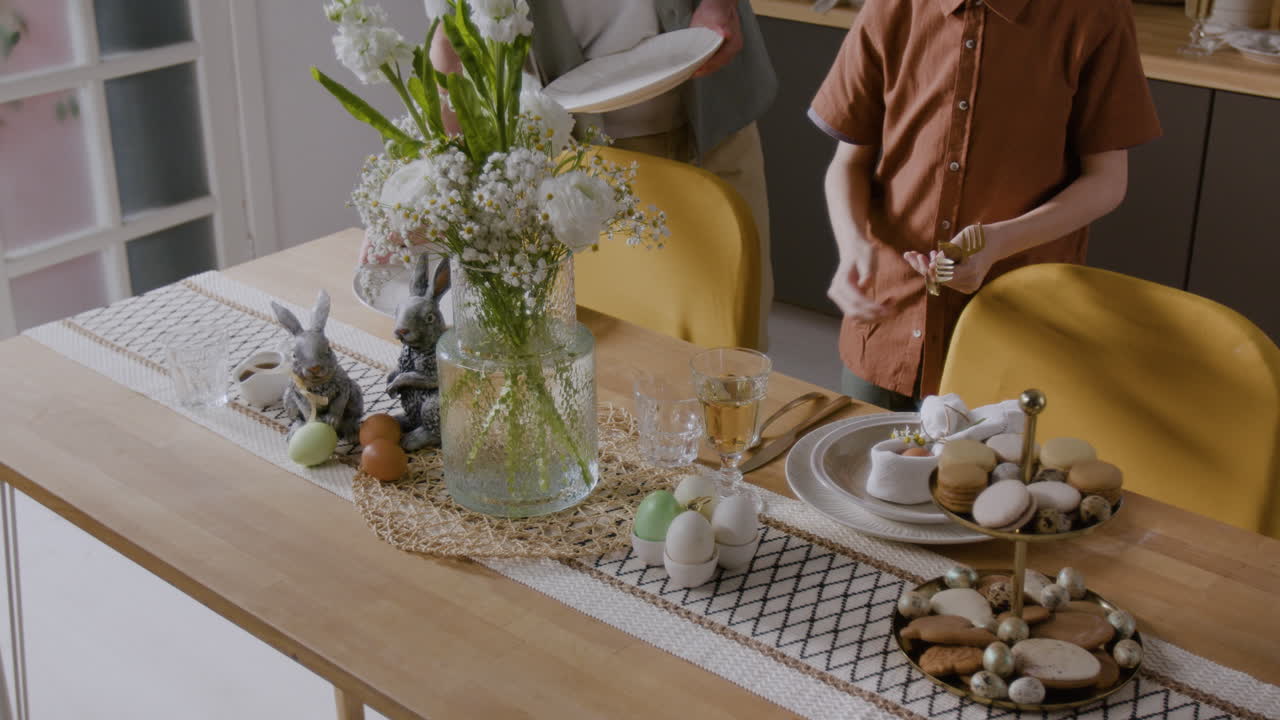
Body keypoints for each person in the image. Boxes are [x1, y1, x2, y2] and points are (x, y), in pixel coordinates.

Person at [809, 0, 1162, 410]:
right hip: (887, 318)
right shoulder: (890, 6)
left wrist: (1000, 241)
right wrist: (852, 247)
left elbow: (1107, 181)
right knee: (865, 468)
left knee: (991, 471)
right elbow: (848, 163)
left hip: (1017, 326)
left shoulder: (1095, 13)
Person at [432, 0, 777, 348]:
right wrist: (444, 186)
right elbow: (450, 48)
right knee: (612, 359)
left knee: (731, 356)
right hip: (575, 165)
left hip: (711, 115)